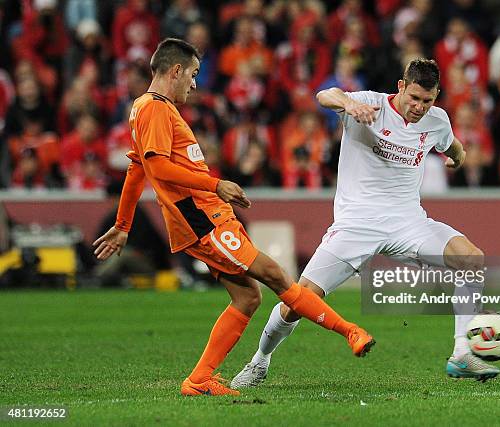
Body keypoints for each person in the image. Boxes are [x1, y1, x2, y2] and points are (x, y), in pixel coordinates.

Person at [92, 38, 375, 397]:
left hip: (204, 217)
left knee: (247, 297)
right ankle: (350, 331)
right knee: (274, 275)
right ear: (175, 71)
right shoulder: (155, 109)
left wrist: (122, 225)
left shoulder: (144, 109)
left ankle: (199, 380)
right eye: (193, 74)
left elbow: (137, 169)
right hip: (202, 219)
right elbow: (158, 168)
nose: (195, 84)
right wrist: (216, 184)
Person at [232, 59, 500, 388]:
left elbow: (454, 147)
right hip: (356, 223)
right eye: (413, 98)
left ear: (436, 97)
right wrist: (348, 104)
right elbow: (324, 95)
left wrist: (455, 158)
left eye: (427, 101)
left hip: (408, 222)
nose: (418, 107)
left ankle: (462, 354)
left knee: (470, 258)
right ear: (401, 86)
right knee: (297, 301)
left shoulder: (437, 120)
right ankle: (259, 361)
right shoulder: (370, 103)